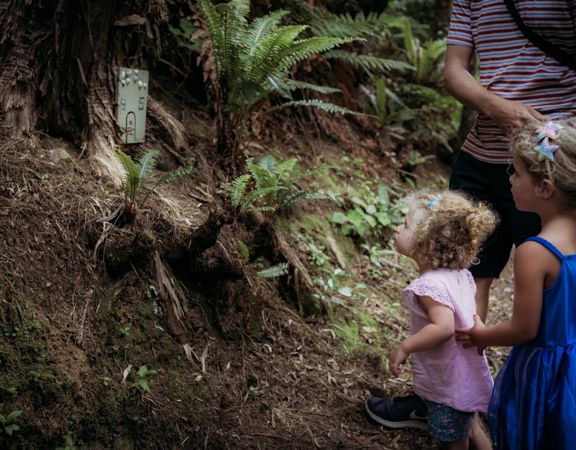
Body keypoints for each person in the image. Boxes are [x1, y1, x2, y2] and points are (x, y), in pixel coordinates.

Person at [366, 0, 576, 430]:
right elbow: (454, 71)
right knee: (461, 276)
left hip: (551, 166)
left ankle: (536, 398)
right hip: (483, 155)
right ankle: (449, 401)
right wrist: (498, 107)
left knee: (554, 283)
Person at [456, 119, 576, 450]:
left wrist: (480, 334)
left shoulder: (534, 252)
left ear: (545, 189)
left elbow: (524, 329)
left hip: (547, 372)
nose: (509, 181)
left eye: (516, 173)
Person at [365, 191, 496, 449]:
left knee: (452, 442)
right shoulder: (459, 275)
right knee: (470, 429)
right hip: (464, 375)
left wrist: (406, 346)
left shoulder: (429, 286)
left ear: (425, 243)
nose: (398, 228)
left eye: (405, 225)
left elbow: (444, 327)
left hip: (449, 384)